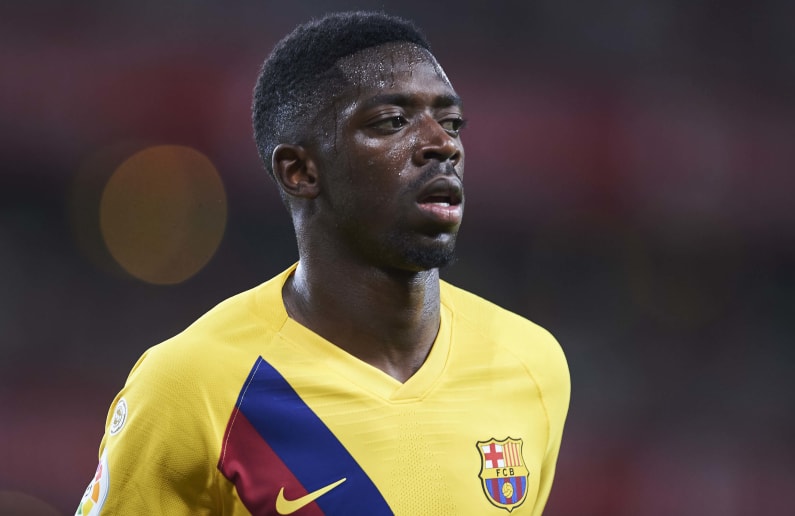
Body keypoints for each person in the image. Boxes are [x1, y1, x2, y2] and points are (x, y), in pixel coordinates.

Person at [75, 11, 570, 515]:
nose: (442, 145)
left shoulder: (531, 364)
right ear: (300, 171)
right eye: (392, 122)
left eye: (451, 122)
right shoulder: (193, 385)